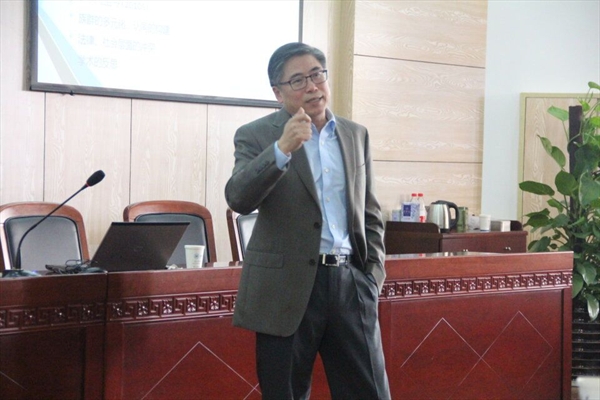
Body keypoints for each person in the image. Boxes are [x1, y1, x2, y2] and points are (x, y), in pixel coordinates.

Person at [225, 42, 390, 400]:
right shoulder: (256, 135)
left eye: (317, 75)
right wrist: (281, 149)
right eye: (298, 81)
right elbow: (238, 197)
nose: (313, 87)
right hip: (286, 290)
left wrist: (372, 277)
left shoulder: (355, 134)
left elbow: (370, 213)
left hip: (350, 285)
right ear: (278, 92)